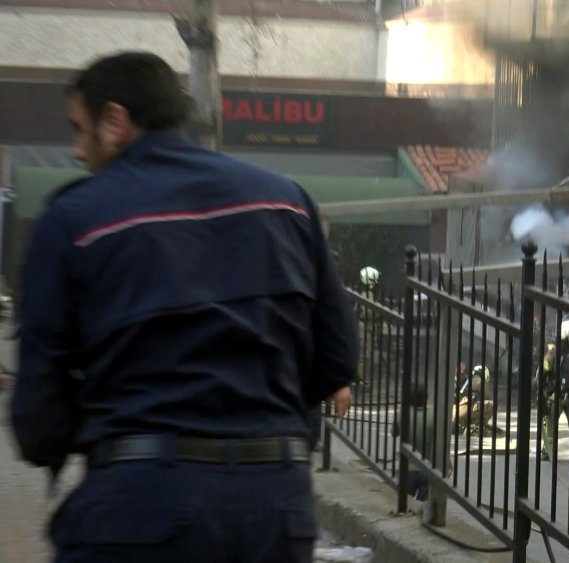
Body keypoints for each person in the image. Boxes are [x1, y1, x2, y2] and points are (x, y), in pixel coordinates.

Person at [8, 51, 359, 562]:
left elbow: (38, 413)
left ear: (115, 121)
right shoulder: (284, 201)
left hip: (137, 505)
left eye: (79, 129)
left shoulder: (76, 220)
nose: (77, 150)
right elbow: (337, 358)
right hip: (273, 507)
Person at [537, 319, 569, 462]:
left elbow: (543, 372)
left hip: (554, 397)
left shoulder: (553, 354)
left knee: (551, 424)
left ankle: (547, 452)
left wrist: (540, 392)